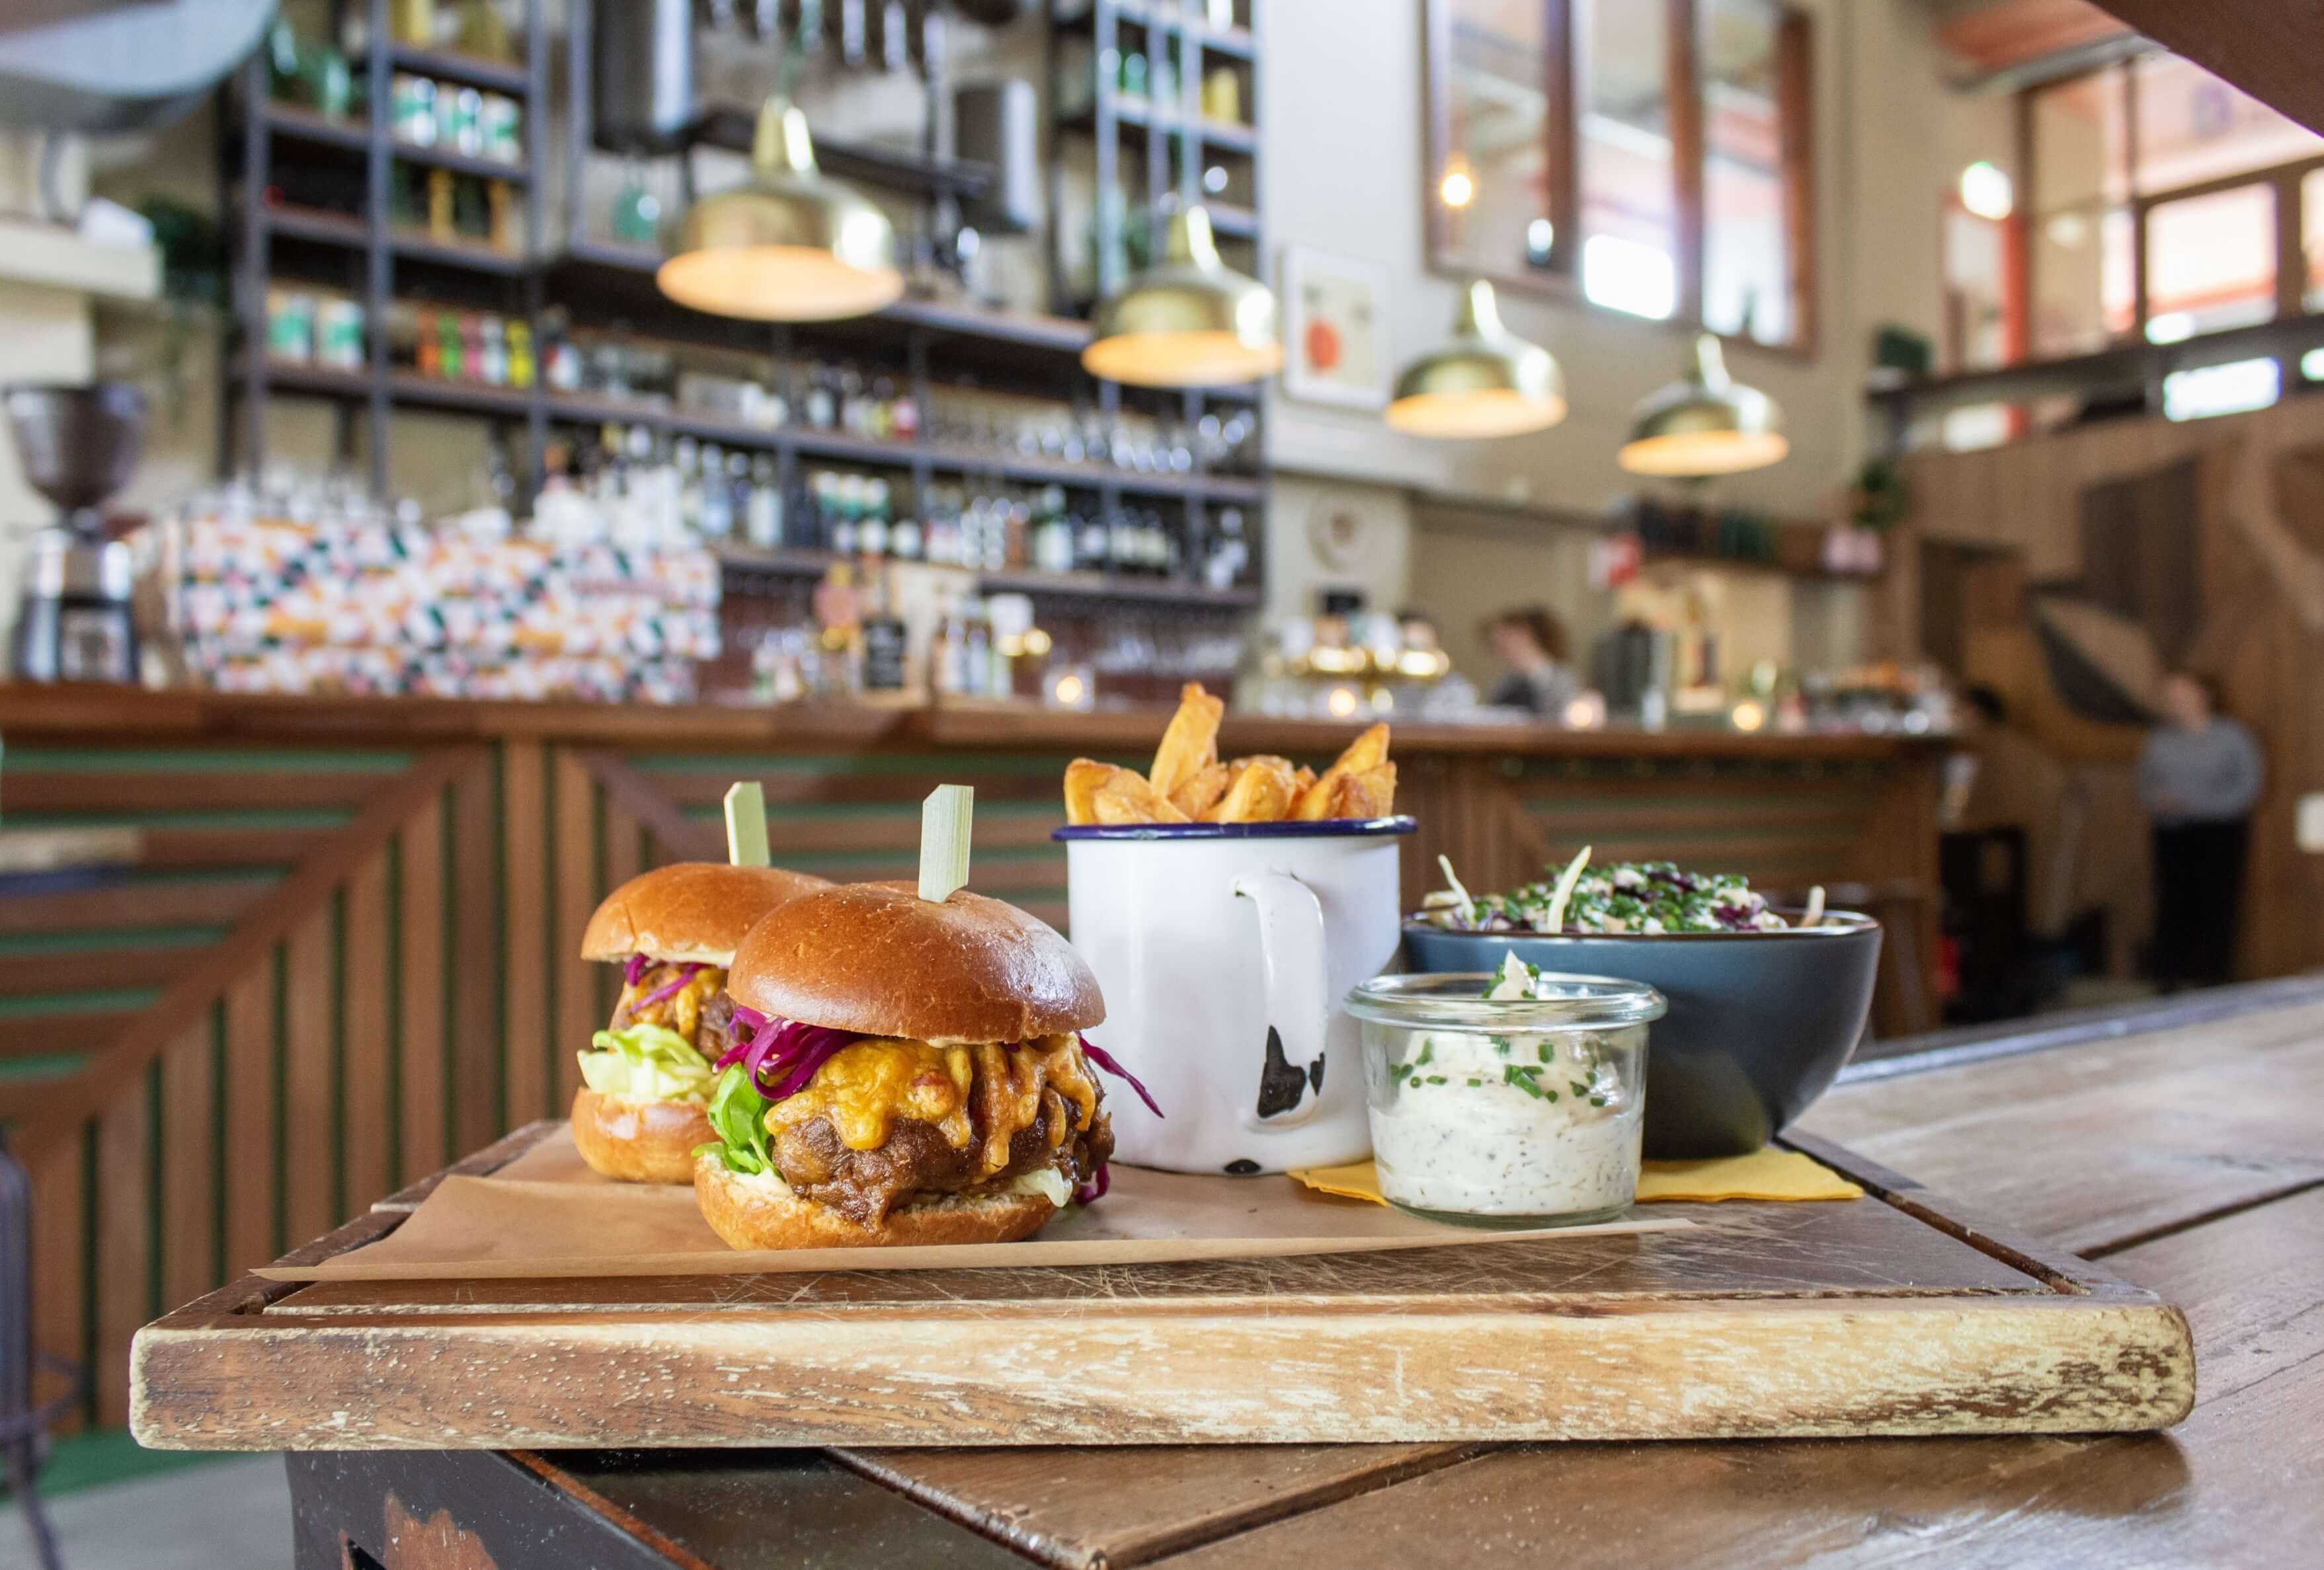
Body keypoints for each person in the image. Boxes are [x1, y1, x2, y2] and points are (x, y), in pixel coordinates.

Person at [2138, 672, 2263, 990]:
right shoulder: (2160, 740)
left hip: (2219, 834)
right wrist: (2160, 801)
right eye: (2170, 695)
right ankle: (2170, 977)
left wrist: (2198, 804)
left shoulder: (2233, 737)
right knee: (2173, 903)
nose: (2175, 702)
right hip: (2174, 834)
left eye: (2181, 694)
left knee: (2216, 903)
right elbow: (2146, 785)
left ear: (2203, 695)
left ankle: (2212, 977)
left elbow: (2248, 787)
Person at [1483, 606, 1580, 720]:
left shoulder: (1564, 680)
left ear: (1525, 635)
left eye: (1503, 644)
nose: (1497, 652)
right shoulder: (1506, 684)